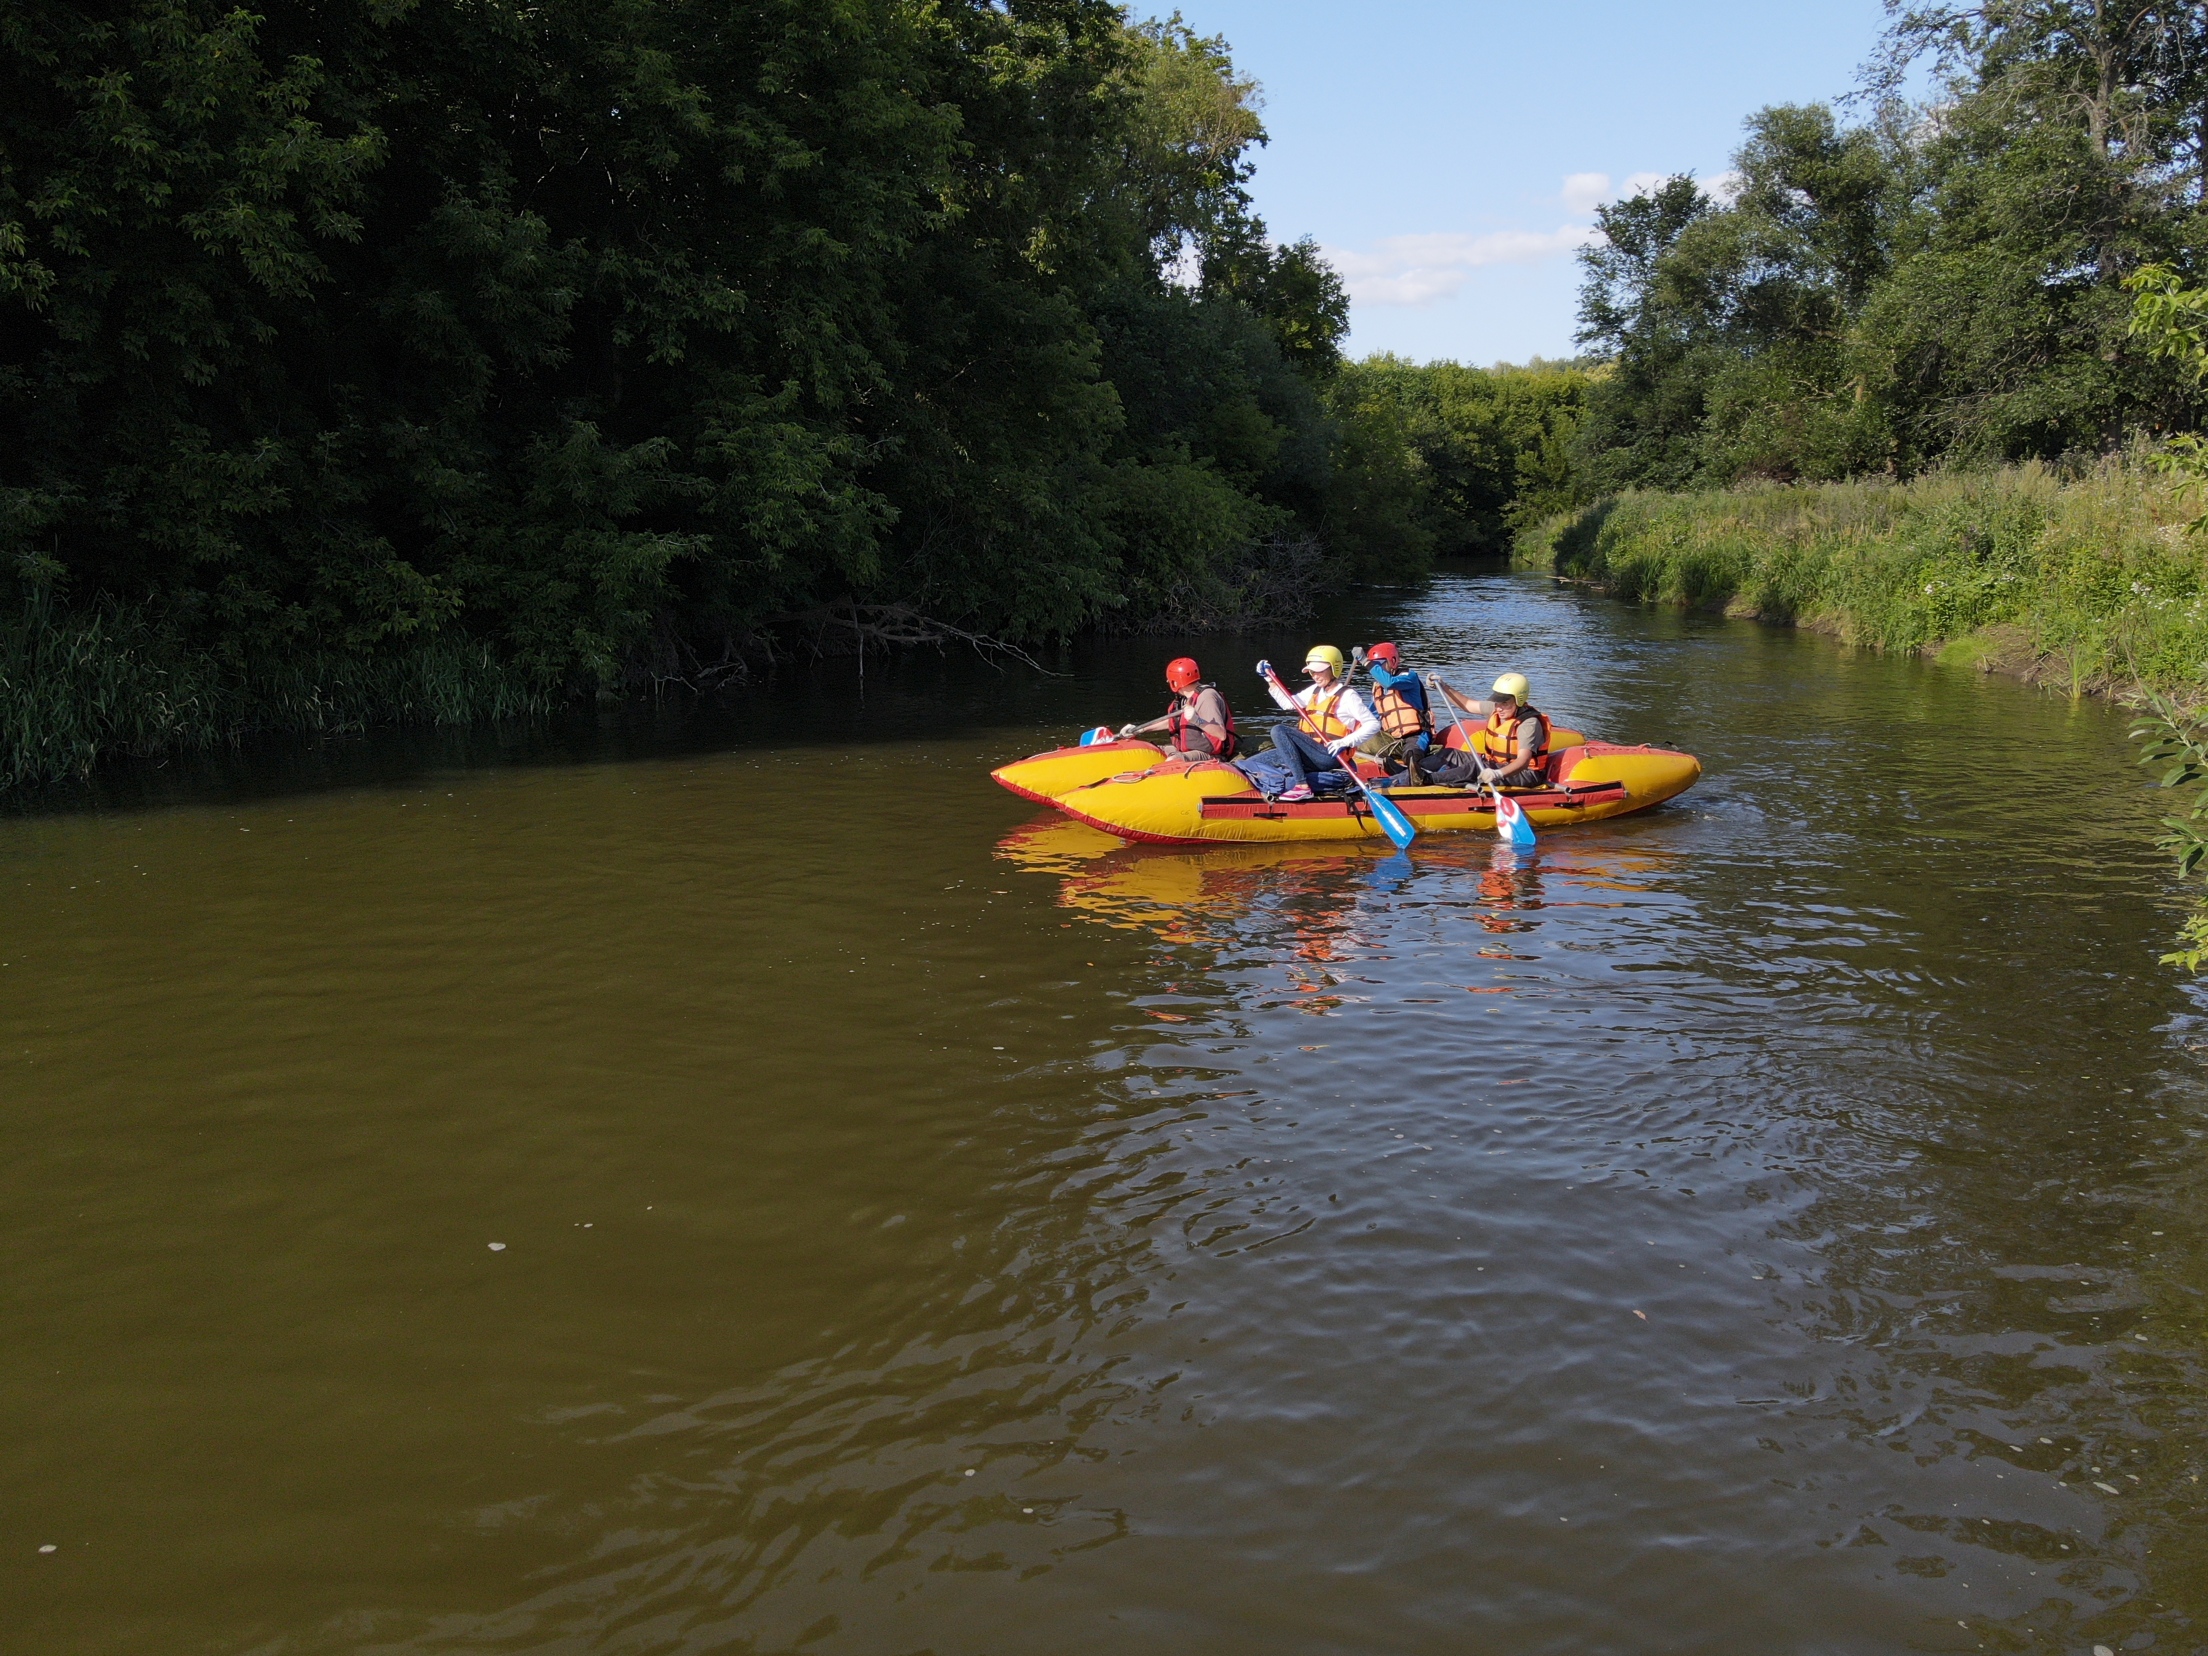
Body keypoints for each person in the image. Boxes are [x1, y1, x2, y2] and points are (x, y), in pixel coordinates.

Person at [1256, 645, 1380, 801]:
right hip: (1310, 753)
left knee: (1279, 730)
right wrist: (1270, 680)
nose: (1315, 675)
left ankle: (1302, 786)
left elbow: (1373, 724)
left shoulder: (1348, 696)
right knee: (1251, 764)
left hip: (1328, 756)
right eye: (1312, 672)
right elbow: (1288, 703)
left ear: (1334, 668)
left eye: (1319, 671)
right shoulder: (1315, 690)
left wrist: (1344, 741)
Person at [1418, 671, 1551, 789]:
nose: (1499, 708)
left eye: (1505, 703)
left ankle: (1427, 779)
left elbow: (1523, 761)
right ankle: (1411, 771)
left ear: (1518, 700)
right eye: (1498, 702)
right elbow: (1467, 704)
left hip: (1525, 774)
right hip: (1496, 763)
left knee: (1475, 768)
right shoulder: (1497, 709)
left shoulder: (1528, 724)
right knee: (1450, 754)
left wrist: (1497, 773)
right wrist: (1443, 686)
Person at [1118, 657, 1238, 759]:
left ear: (1175, 682)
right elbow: (1173, 722)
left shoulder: (1207, 697)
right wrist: (1139, 730)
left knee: (1173, 760)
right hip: (1185, 751)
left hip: (1208, 754)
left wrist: (1196, 720)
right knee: (1148, 750)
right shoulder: (1185, 698)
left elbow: (1221, 734)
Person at [1354, 641, 1432, 773]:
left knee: (1412, 754)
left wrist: (1365, 661)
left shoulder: (1409, 677)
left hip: (1416, 736)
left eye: (1378, 665)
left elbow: (1389, 682)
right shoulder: (1379, 689)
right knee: (1360, 739)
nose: (1375, 670)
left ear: (1393, 661)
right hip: (1392, 738)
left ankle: (1411, 770)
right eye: (1374, 666)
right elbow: (1370, 716)